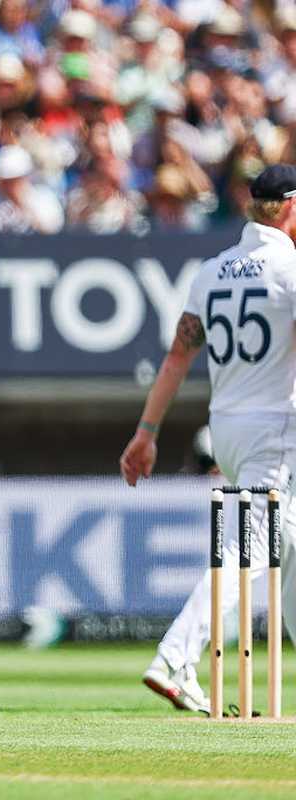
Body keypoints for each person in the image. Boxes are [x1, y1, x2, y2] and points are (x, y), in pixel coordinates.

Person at [120, 164, 296, 714]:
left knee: (286, 551)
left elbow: (178, 356)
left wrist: (146, 432)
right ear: (290, 207)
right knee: (248, 555)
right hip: (276, 428)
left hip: (227, 428)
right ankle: (175, 656)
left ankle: (177, 657)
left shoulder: (213, 270)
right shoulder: (290, 268)